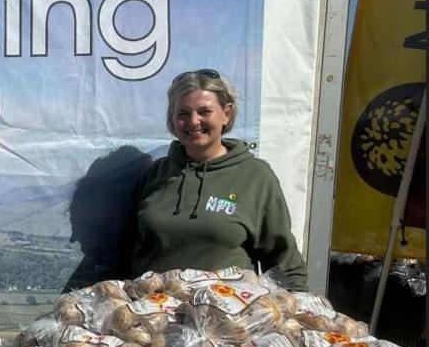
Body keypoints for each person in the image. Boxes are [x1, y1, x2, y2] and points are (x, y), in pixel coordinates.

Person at [131, 69, 307, 290]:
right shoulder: (154, 174)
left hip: (227, 318)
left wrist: (297, 307)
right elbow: (128, 249)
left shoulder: (256, 176)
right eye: (183, 114)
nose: (194, 121)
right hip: (154, 315)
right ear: (172, 119)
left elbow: (284, 261)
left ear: (226, 114)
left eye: (204, 111)